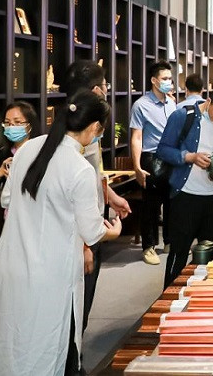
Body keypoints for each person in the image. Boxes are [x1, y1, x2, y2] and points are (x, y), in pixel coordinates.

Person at [0, 92, 122, 376]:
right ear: (94, 128)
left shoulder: (28, 149)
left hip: (12, 262)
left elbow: (7, 199)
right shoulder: (79, 168)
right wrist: (114, 231)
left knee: (14, 338)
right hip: (50, 273)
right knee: (50, 343)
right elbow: (92, 231)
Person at [59, 60, 131, 334]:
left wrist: (110, 195)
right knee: (75, 307)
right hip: (83, 234)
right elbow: (71, 197)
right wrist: (85, 246)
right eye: (104, 85)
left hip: (91, 224)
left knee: (81, 305)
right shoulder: (80, 131)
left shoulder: (82, 124)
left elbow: (94, 174)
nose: (107, 90)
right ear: (96, 90)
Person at [157, 86, 213, 287]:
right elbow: (163, 149)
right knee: (179, 252)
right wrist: (190, 157)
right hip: (185, 195)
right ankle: (170, 295)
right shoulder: (182, 117)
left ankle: (201, 296)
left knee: (209, 255)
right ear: (208, 101)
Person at [130, 61, 176, 265]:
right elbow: (136, 137)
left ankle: (169, 240)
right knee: (151, 204)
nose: (169, 82)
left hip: (172, 156)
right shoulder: (141, 105)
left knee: (171, 201)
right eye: (164, 79)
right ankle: (148, 247)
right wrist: (137, 166)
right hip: (151, 157)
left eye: (170, 79)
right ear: (154, 81)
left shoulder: (172, 103)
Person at [0, 102, 39, 242]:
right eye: (7, 123)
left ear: (29, 125)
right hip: (9, 223)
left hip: (35, 220)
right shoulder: (2, 154)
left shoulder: (40, 152)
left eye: (17, 122)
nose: (12, 127)